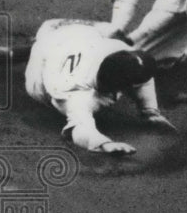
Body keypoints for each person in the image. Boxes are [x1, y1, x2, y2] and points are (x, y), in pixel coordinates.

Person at [16, 18, 176, 155]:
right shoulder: (75, 91)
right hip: (42, 73)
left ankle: (28, 48)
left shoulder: (120, 49)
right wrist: (104, 145)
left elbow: (143, 76)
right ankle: (30, 49)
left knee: (115, 32)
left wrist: (150, 111)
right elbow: (79, 129)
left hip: (74, 32)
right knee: (39, 80)